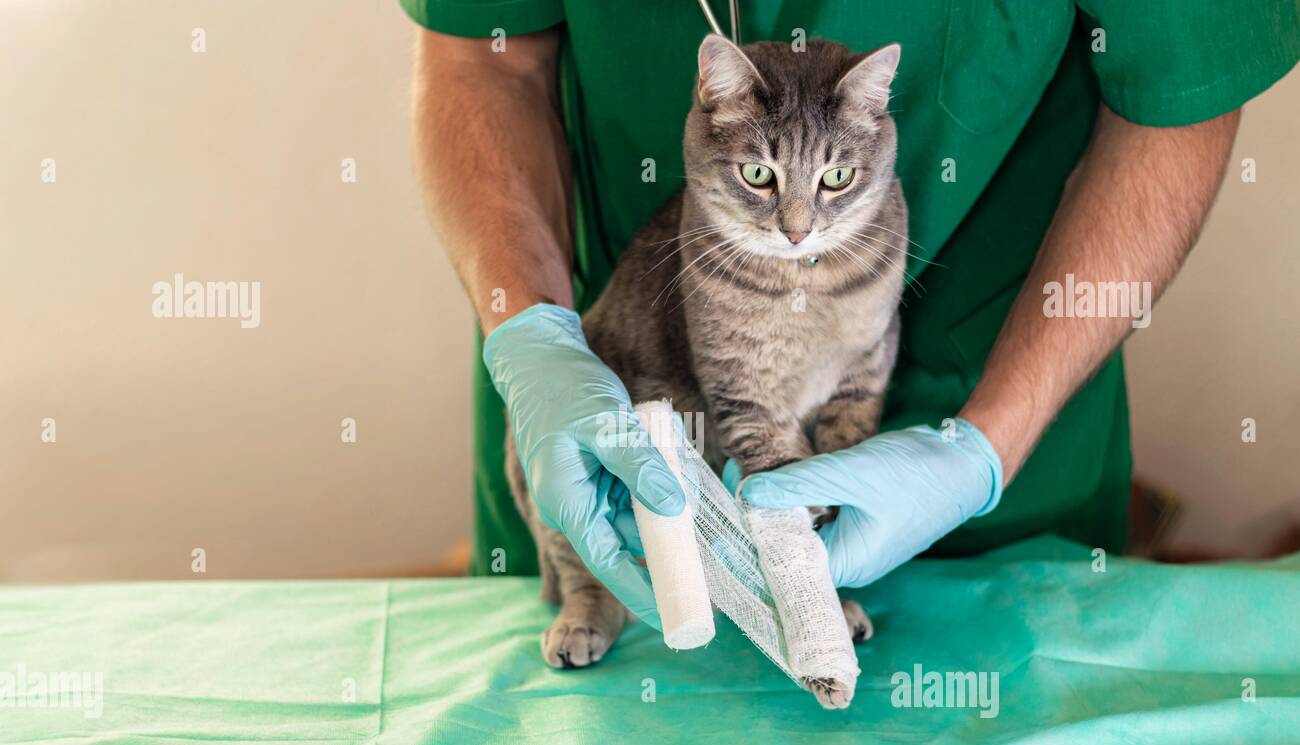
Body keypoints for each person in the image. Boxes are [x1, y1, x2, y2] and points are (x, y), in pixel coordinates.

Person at [405, 0, 1299, 617]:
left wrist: (984, 447)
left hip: (1004, 391)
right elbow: (481, 56)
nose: (796, 227)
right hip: (616, 365)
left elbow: (1183, 91)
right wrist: (532, 334)